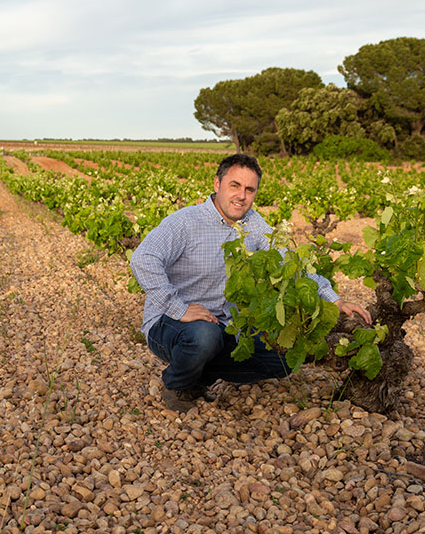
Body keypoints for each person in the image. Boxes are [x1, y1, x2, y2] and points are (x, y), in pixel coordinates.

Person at [130, 153, 371, 412]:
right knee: (204, 335)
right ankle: (176, 384)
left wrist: (334, 299)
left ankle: (197, 379)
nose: (241, 196)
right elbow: (143, 258)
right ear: (217, 184)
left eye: (249, 189)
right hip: (170, 324)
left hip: (225, 325)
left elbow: (287, 262)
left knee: (284, 360)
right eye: (234, 185)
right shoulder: (185, 222)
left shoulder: (252, 223)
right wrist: (179, 308)